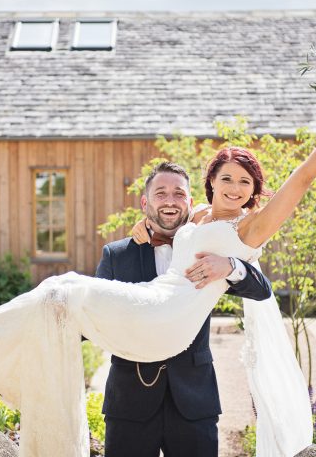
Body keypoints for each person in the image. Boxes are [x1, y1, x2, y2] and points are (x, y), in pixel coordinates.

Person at [0, 118, 316, 457]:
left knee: (66, 287)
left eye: (245, 182)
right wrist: (146, 226)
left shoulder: (251, 228)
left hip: (168, 325)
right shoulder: (198, 216)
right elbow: (170, 215)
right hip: (145, 340)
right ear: (210, 184)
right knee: (58, 293)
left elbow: (302, 179)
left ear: (255, 190)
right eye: (227, 179)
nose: (235, 188)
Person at [95, 161, 272, 457]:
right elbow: (95, 319)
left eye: (178, 194)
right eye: (160, 194)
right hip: (130, 401)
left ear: (190, 203)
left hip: (194, 400)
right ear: (145, 203)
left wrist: (231, 266)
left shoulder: (212, 244)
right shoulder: (116, 255)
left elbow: (262, 290)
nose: (170, 201)